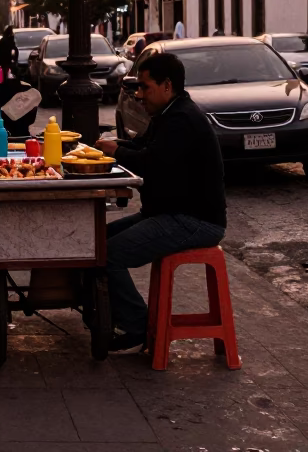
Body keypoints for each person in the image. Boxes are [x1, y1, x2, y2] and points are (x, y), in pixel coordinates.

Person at [95, 52, 226, 352]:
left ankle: (140, 326)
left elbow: (151, 163)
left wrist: (116, 151)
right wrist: (111, 146)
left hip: (194, 220)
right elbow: (142, 146)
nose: (140, 95)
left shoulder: (182, 119)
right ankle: (111, 315)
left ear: (167, 86)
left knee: (109, 255)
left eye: (145, 87)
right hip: (166, 212)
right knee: (96, 242)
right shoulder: (167, 115)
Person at [0, 71, 40, 137]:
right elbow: (31, 119)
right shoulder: (29, 92)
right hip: (23, 135)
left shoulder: (2, 87)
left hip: (2, 134)